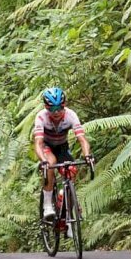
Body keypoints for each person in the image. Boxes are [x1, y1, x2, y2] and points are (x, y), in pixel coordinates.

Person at [33, 87, 94, 220]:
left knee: (71, 171)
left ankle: (66, 209)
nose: (56, 112)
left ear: (64, 105)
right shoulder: (41, 117)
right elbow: (38, 143)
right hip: (46, 146)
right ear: (45, 107)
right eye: (52, 109)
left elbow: (82, 139)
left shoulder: (71, 115)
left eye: (59, 108)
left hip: (61, 147)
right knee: (50, 163)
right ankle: (48, 205)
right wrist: (43, 160)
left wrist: (87, 155)